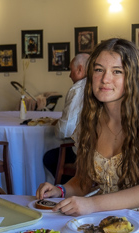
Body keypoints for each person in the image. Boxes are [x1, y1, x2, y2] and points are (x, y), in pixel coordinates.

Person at [36, 38, 139, 225]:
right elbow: (83, 181)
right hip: (105, 220)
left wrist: (91, 204)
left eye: (117, 71)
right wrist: (60, 190)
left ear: (132, 77)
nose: (105, 79)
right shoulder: (87, 122)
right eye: (98, 70)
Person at [43, 53, 90, 184]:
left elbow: (64, 131)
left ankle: (68, 189)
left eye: (71, 70)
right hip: (98, 148)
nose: (69, 75)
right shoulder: (95, 85)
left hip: (83, 152)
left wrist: (57, 124)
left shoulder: (78, 89)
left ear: (80, 69)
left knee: (49, 157)